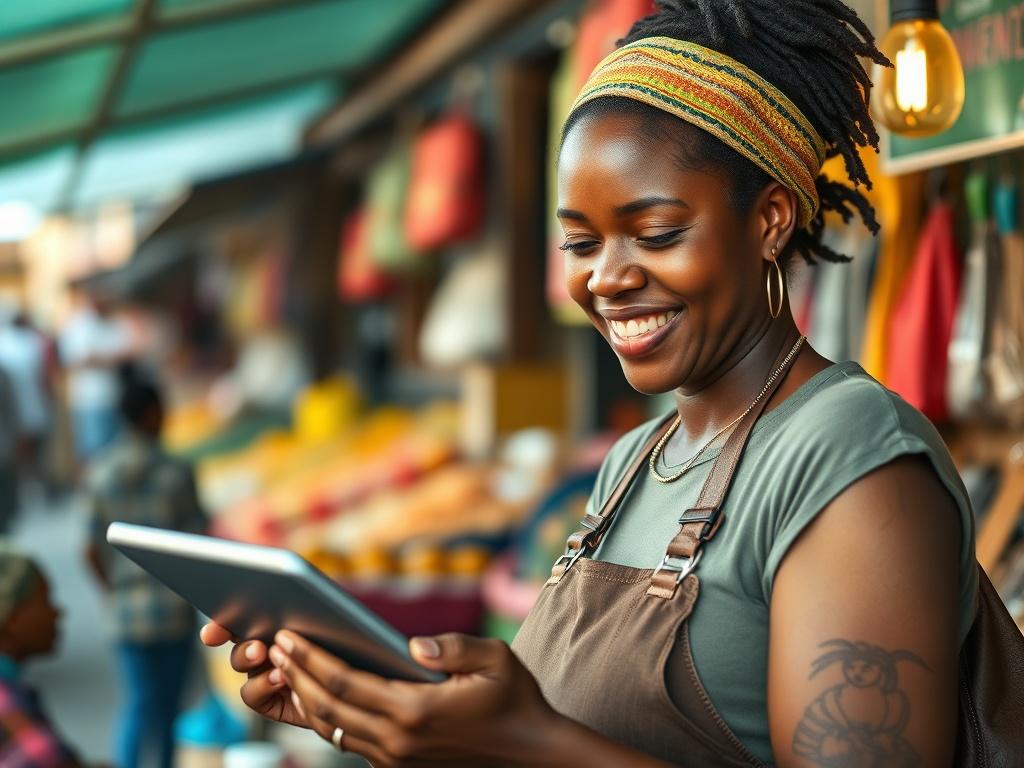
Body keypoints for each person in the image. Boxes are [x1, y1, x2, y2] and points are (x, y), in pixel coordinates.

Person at [201, 2, 978, 765]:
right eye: (580, 242)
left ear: (770, 219)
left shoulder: (849, 461)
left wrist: (522, 740)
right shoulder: (633, 461)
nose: (607, 278)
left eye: (657, 233)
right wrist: (380, 712)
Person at [85, 370, 206, 768]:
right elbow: (198, 542)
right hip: (172, 610)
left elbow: (89, 548)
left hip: (125, 612)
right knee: (169, 709)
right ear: (153, 413)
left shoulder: (100, 473)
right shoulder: (176, 472)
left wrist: (112, 591)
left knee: (137, 704)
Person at [0, 543, 84, 767]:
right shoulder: (9, 704)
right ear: (10, 615)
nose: (57, 612)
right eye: (45, 600)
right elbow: (46, 758)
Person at [60, 290, 133, 465]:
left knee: (118, 452)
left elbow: (127, 352)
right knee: (95, 454)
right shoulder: (78, 325)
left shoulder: (114, 322)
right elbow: (77, 360)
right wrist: (106, 359)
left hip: (116, 397)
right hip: (91, 400)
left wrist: (100, 358)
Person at [0, 305, 54, 500]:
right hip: (19, 413)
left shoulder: (24, 342)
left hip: (24, 411)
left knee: (31, 454)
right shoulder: (24, 342)